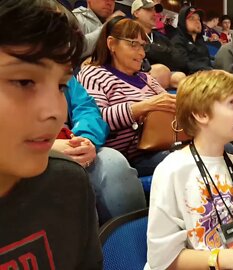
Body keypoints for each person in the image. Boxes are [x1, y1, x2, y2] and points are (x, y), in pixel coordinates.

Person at [0, 0, 102, 268]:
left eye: (61, 85)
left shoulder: (69, 185)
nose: (55, 112)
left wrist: (85, 137)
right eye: (24, 81)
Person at [145, 70, 233, 269]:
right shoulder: (172, 170)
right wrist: (223, 260)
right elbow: (163, 261)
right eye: (232, 103)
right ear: (201, 114)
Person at [77, 17, 176, 177]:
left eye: (143, 46)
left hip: (162, 145)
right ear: (111, 44)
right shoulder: (93, 74)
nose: (142, 53)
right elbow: (96, 118)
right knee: (187, 161)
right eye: (133, 44)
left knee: (219, 148)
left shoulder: (147, 78)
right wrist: (145, 106)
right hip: (126, 158)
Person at [53, 77, 146, 225]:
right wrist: (47, 147)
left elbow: (87, 109)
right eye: (136, 50)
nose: (141, 54)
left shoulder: (63, 74)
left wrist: (86, 138)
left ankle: (132, 237)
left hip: (72, 141)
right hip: (24, 152)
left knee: (113, 163)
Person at [131, 0, 186, 88]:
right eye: (149, 10)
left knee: (180, 77)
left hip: (164, 75)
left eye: (155, 10)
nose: (154, 13)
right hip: (136, 74)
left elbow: (179, 61)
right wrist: (163, 52)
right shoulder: (128, 33)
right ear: (136, 13)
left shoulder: (161, 37)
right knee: (160, 71)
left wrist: (150, 48)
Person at [171, 6, 213, 75]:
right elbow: (184, 65)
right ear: (183, 21)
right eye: (192, 18)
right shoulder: (177, 41)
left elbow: (208, 63)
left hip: (207, 76)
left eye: (199, 19)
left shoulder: (201, 42)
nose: (197, 22)